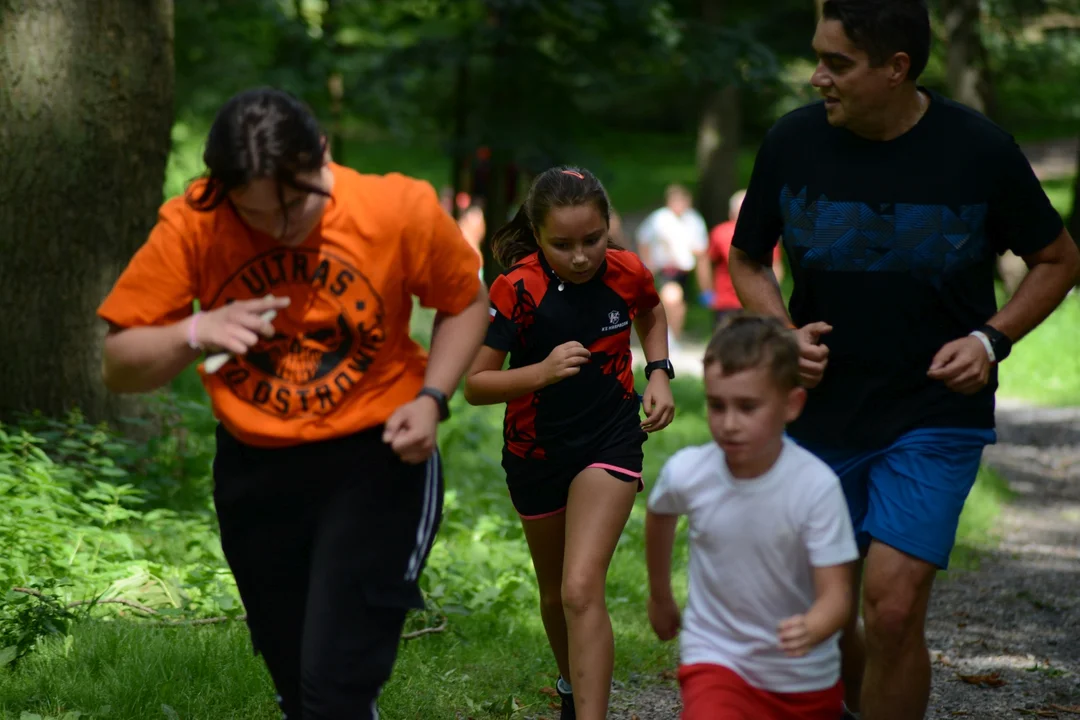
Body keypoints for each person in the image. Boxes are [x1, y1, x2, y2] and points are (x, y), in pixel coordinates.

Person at [727, 2, 1080, 719]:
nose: (818, 76)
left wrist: (991, 339)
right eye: (817, 57)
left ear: (897, 69)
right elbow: (745, 256)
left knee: (891, 608)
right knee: (821, 610)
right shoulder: (792, 143)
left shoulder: (977, 149)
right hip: (819, 417)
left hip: (933, 413)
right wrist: (783, 333)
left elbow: (1057, 258)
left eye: (838, 64)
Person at [97, 87, 489, 720]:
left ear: (323, 154)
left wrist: (433, 398)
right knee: (295, 686)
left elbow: (468, 301)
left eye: (297, 205)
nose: (282, 229)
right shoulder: (196, 221)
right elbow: (120, 364)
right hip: (256, 471)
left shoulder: (395, 209)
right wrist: (195, 331)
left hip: (377, 458)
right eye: (259, 216)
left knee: (335, 688)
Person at [464, 166, 677, 720]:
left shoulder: (627, 271)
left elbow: (650, 311)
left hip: (610, 439)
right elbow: (475, 385)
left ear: (609, 227)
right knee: (557, 594)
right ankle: (568, 683)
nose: (580, 256)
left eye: (592, 240)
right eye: (562, 244)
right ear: (537, 236)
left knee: (582, 588)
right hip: (535, 452)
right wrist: (541, 372)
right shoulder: (515, 289)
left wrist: (658, 371)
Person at [645, 313, 858, 720]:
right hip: (716, 658)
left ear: (791, 404)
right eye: (716, 405)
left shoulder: (815, 487)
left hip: (802, 679)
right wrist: (659, 595)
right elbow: (659, 512)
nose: (729, 424)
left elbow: (837, 595)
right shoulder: (689, 472)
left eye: (747, 407)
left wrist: (816, 625)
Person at [635, 184, 710, 346]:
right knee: (672, 299)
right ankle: (668, 339)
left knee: (680, 305)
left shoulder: (694, 220)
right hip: (665, 269)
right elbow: (643, 239)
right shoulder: (659, 219)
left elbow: (700, 251)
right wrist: (648, 264)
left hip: (684, 271)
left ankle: (673, 337)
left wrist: (705, 286)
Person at [702, 190, 785, 326]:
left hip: (732, 302)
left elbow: (706, 262)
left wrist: (707, 292)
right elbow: (776, 267)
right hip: (751, 301)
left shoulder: (719, 232)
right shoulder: (765, 233)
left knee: (727, 343)